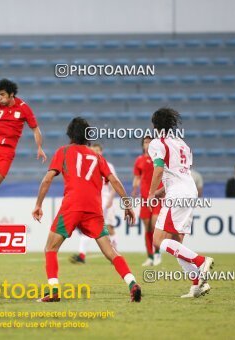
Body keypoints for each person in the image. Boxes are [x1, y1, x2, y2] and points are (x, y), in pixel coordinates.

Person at [32, 117, 141, 303]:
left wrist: (38, 204)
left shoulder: (64, 151)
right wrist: (128, 205)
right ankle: (132, 283)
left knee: (50, 248)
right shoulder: (97, 157)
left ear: (70, 134)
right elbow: (114, 180)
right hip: (94, 209)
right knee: (110, 251)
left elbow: (47, 179)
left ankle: (54, 291)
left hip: (72, 206)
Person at [148, 107, 214, 298]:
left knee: (158, 240)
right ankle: (197, 285)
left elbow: (159, 169)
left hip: (177, 194)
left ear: (155, 126)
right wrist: (161, 192)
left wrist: (152, 193)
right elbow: (179, 173)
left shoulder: (157, 143)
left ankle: (201, 261)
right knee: (177, 242)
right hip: (189, 191)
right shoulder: (183, 144)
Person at [0, 79, 46, 220]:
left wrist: (39, 147)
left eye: (2, 95)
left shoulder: (24, 108)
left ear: (11, 94)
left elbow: (35, 129)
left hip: (7, 151)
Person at [70, 143, 118, 264]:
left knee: (110, 228)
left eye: (98, 150)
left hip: (106, 200)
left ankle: (116, 254)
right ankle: (82, 255)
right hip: (94, 200)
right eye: (93, 150)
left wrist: (111, 199)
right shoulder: (87, 165)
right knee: (90, 226)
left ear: (101, 151)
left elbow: (114, 184)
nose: (95, 152)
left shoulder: (107, 165)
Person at [132, 137, 162, 266]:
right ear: (142, 145)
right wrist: (134, 190)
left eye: (150, 142)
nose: (148, 144)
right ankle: (150, 256)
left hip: (156, 197)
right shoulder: (139, 160)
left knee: (155, 225)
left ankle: (157, 253)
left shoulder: (159, 159)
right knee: (147, 227)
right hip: (144, 198)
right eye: (145, 142)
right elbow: (137, 177)